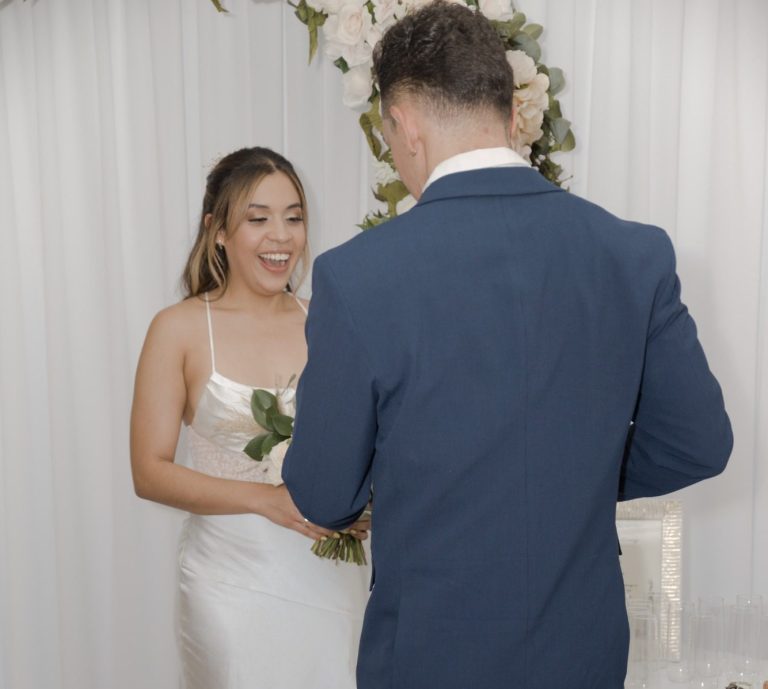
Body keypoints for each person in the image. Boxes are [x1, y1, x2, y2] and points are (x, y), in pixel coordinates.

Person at [281, 3, 733, 688]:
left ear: (403, 123)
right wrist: (570, 471)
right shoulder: (633, 254)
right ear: (511, 112)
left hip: (430, 654)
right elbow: (699, 441)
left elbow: (322, 492)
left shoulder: (358, 276)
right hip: (583, 654)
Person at [130, 147, 371, 689]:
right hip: (230, 583)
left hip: (332, 581)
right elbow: (149, 470)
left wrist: (366, 500)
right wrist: (270, 502)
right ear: (218, 230)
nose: (280, 236)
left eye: (294, 217)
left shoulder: (331, 321)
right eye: (258, 219)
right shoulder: (178, 328)